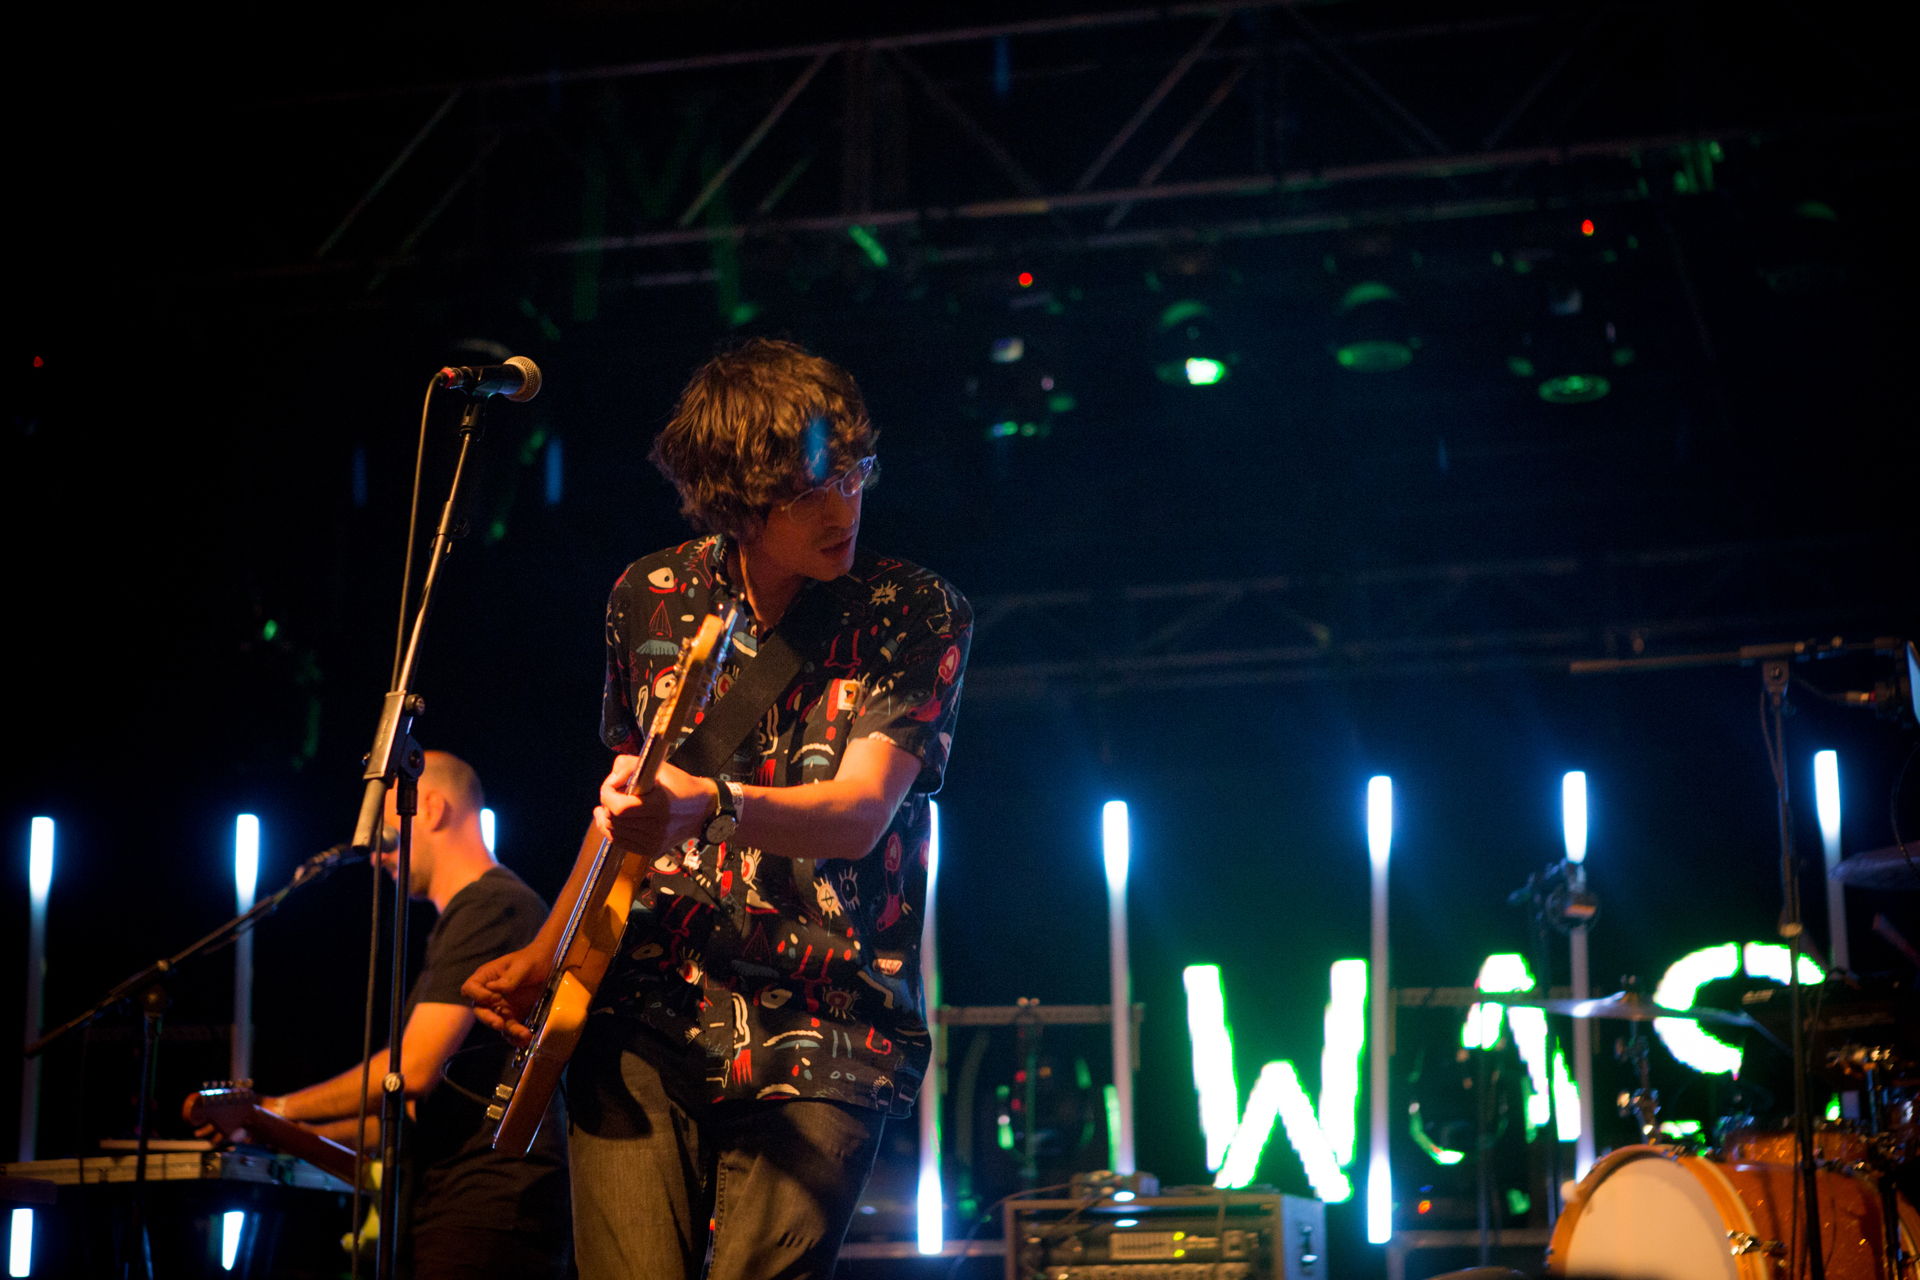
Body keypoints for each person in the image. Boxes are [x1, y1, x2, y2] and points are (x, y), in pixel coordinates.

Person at [461, 337, 971, 1280]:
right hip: (643, 1008)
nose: (843, 507)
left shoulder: (914, 609)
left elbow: (860, 813)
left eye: (853, 474)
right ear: (736, 500)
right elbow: (629, 806)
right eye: (809, 493)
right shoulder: (649, 595)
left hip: (826, 1023)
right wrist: (549, 953)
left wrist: (715, 806)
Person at [239, 751, 571, 1279]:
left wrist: (275, 1108)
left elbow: (409, 1072)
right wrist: (277, 1127)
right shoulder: (467, 916)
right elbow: (408, 1113)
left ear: (431, 809)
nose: (376, 857)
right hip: (454, 1204)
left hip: (489, 1211)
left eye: (385, 834)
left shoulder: (494, 907)